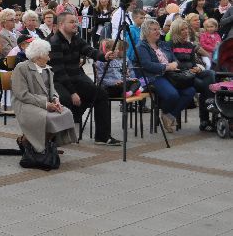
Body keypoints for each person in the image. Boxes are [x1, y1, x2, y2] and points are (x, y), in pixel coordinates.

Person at [49, 12, 121, 146]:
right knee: (65, 100)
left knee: (100, 94)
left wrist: (104, 56)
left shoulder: (76, 38)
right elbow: (60, 72)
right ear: (60, 24)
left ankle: (102, 137)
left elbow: (90, 50)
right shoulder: (54, 42)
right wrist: (73, 93)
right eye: (71, 22)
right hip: (59, 81)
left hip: (76, 78)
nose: (75, 24)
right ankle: (57, 138)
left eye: (76, 21)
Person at [11, 39, 77, 154]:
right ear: (38, 56)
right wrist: (46, 104)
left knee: (66, 113)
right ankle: (29, 142)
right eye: (47, 54)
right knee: (47, 117)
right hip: (26, 104)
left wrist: (56, 99)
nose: (49, 57)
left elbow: (52, 89)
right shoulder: (21, 68)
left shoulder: (47, 69)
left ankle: (45, 143)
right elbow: (22, 94)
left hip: (44, 103)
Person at [136, 19, 196, 133]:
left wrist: (175, 64)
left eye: (158, 29)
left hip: (170, 75)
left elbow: (175, 59)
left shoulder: (162, 44)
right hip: (153, 77)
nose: (158, 31)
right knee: (172, 95)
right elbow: (147, 65)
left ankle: (169, 116)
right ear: (146, 31)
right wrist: (166, 67)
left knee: (190, 91)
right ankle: (166, 111)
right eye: (154, 29)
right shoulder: (141, 47)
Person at [168, 18, 216, 132]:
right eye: (183, 29)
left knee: (210, 73)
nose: (186, 31)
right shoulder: (170, 45)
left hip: (190, 73)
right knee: (205, 86)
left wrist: (197, 68)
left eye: (186, 29)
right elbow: (174, 64)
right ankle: (204, 120)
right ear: (176, 31)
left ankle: (209, 102)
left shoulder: (189, 45)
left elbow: (193, 63)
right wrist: (189, 69)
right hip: (179, 76)